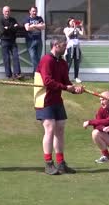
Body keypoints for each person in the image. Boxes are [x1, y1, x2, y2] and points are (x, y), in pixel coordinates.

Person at [34, 36, 83, 175]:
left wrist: (75, 89)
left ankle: (61, 163)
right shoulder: (46, 60)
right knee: (49, 128)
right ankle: (48, 163)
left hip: (56, 100)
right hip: (44, 100)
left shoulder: (62, 63)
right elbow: (47, 81)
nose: (66, 48)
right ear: (55, 45)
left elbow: (66, 82)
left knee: (60, 128)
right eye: (63, 45)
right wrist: (66, 87)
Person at [0, 6, 22, 80]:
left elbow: (16, 29)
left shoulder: (13, 19)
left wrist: (8, 28)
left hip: (12, 41)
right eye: (5, 11)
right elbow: (2, 30)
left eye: (8, 11)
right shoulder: (0, 20)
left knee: (15, 56)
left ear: (10, 12)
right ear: (3, 12)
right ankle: (9, 75)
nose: (7, 13)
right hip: (4, 40)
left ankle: (17, 74)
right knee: (6, 58)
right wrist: (11, 27)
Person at [24, 6, 46, 72]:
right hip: (30, 41)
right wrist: (38, 26)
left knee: (38, 57)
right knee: (33, 57)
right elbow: (27, 28)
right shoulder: (27, 19)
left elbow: (43, 27)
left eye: (35, 11)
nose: (34, 12)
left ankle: (36, 73)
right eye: (33, 11)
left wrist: (33, 26)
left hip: (39, 40)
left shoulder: (39, 18)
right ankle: (38, 72)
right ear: (30, 11)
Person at [63, 17, 84, 83]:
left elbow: (82, 34)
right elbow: (68, 35)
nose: (73, 23)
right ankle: (65, 77)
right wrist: (74, 28)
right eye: (72, 21)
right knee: (69, 63)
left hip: (77, 47)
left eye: (74, 21)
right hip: (70, 47)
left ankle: (76, 77)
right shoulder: (66, 29)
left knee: (77, 63)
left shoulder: (77, 29)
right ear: (68, 22)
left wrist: (82, 27)